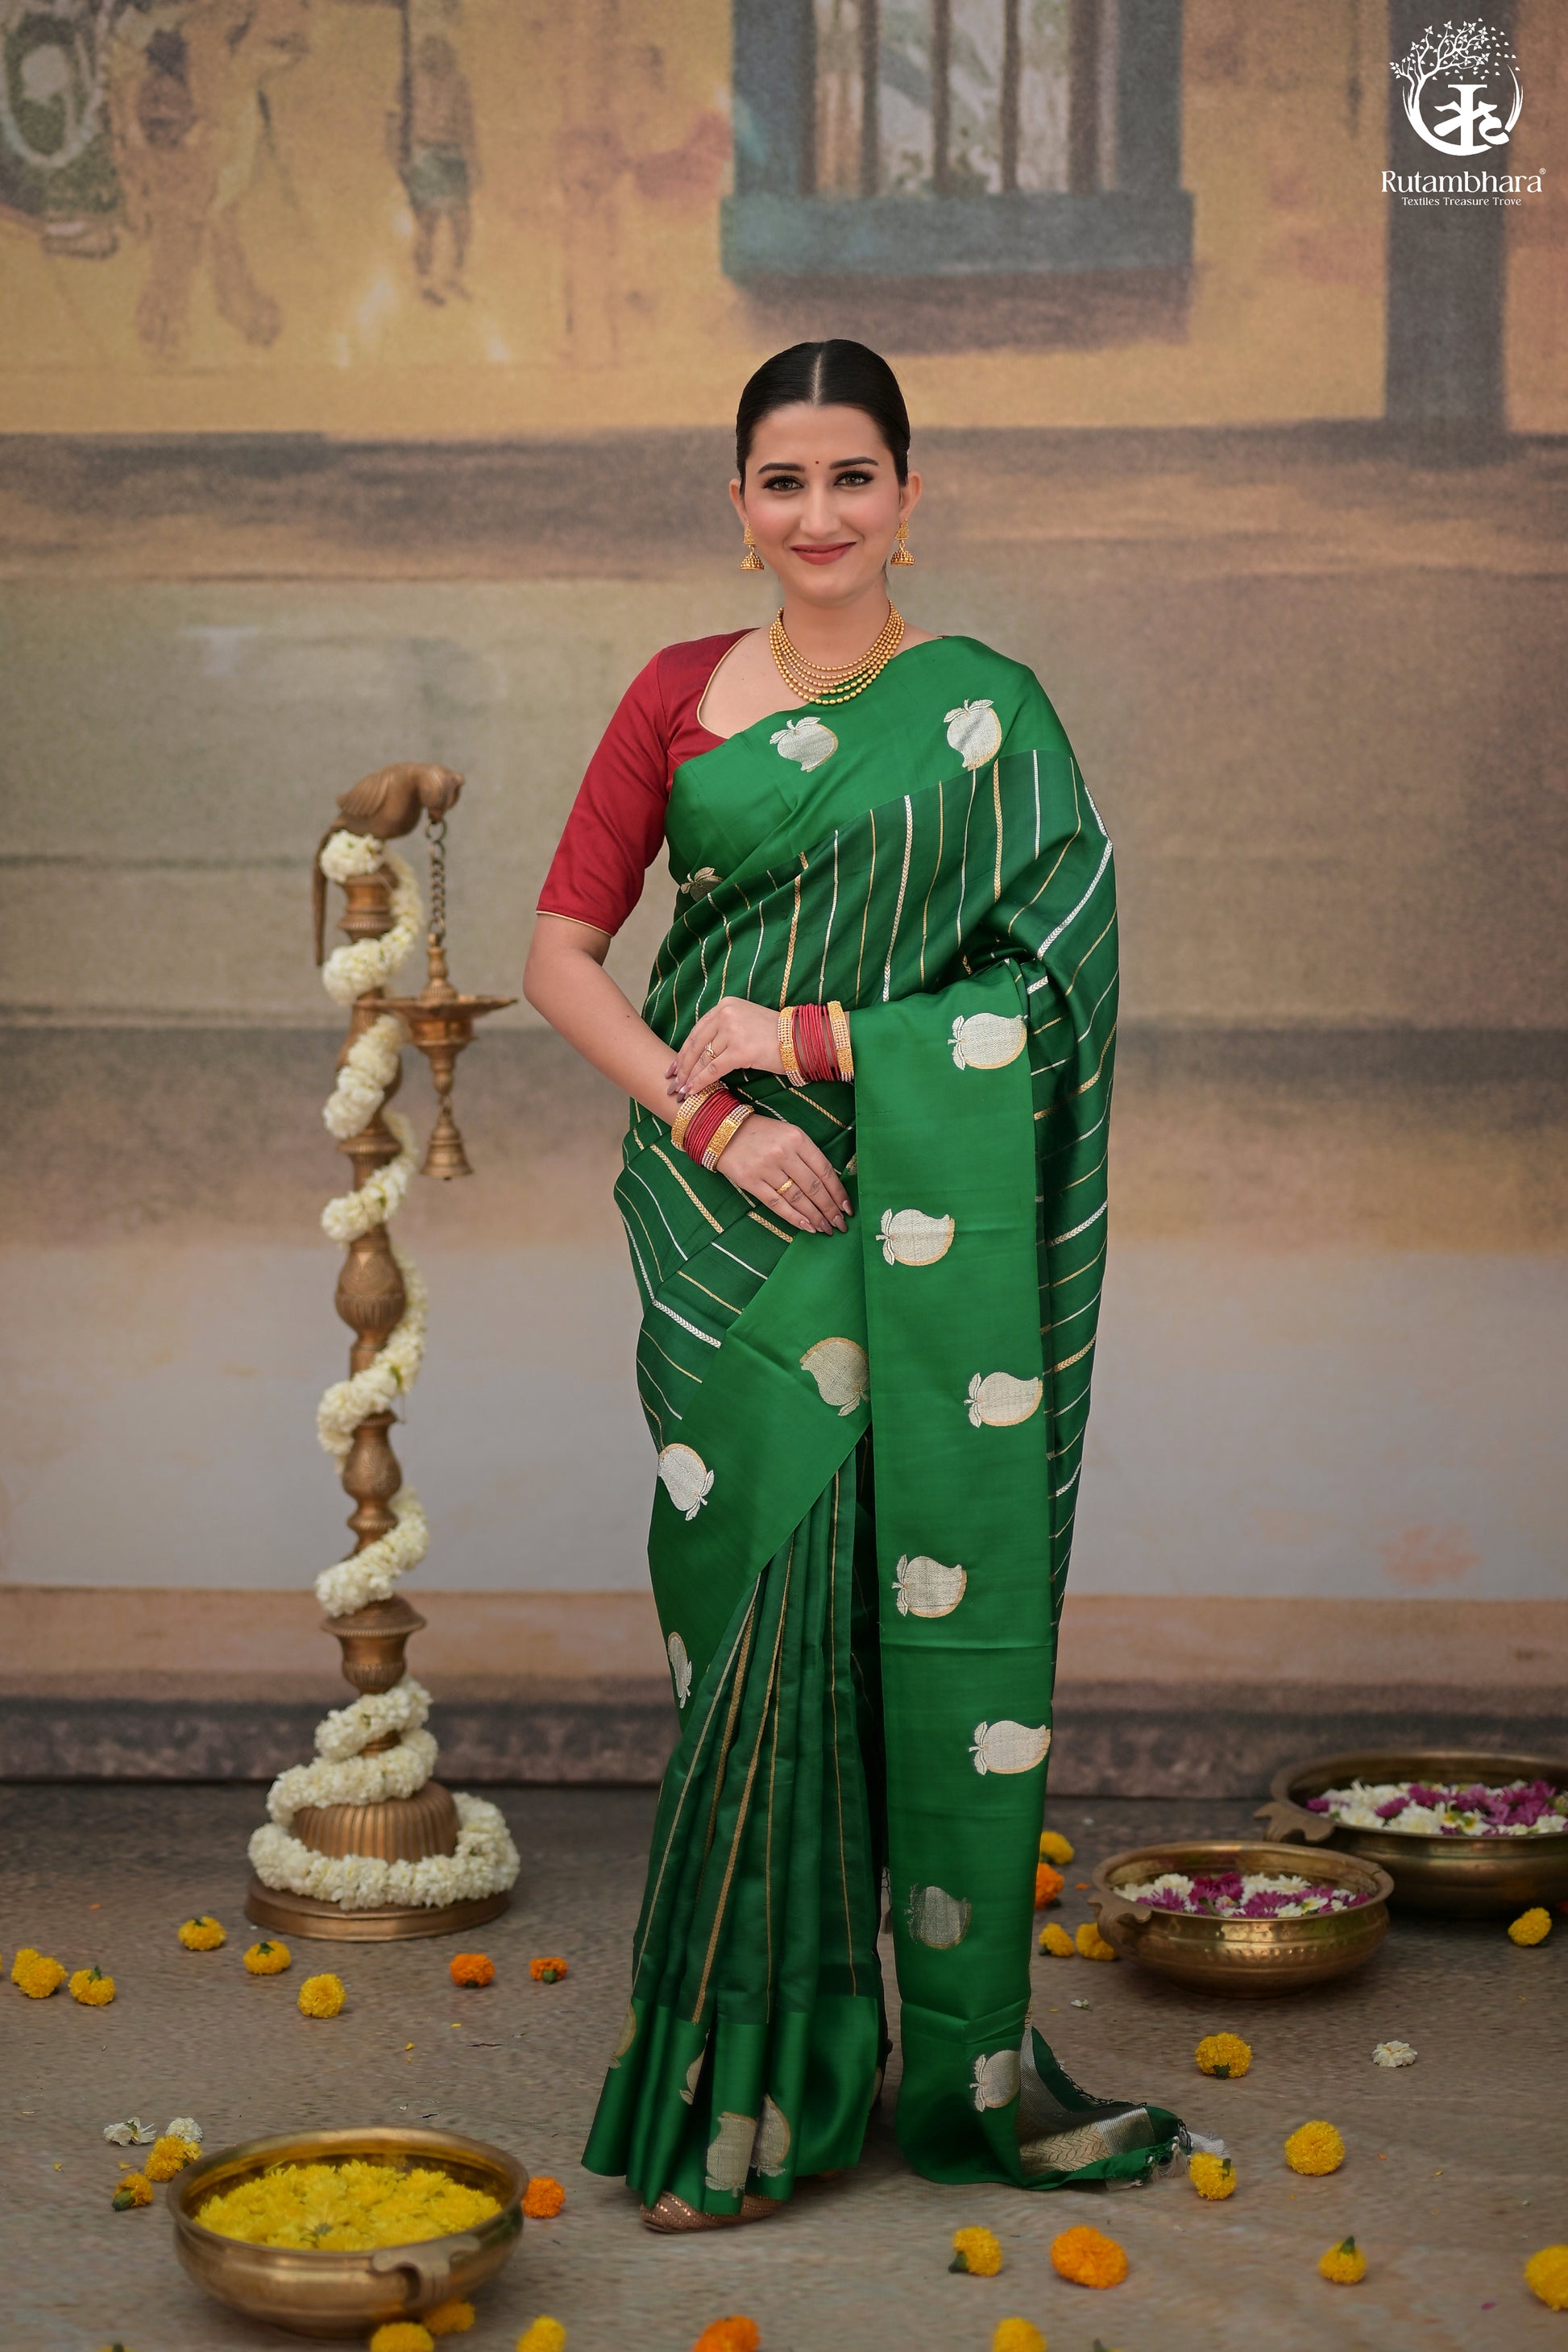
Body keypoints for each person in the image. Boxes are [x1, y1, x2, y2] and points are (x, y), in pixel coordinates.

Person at [524, 340, 1181, 2232]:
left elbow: (1058, 983)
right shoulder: (672, 698)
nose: (818, 514)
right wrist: (711, 1115)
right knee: (753, 1641)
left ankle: (853, 2068)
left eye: (852, 477)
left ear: (911, 495)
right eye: (781, 480)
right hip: (724, 1208)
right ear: (734, 508)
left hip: (917, 1207)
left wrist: (816, 1032)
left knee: (875, 1600)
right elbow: (566, 951)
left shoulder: (984, 713)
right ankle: (743, 2078)